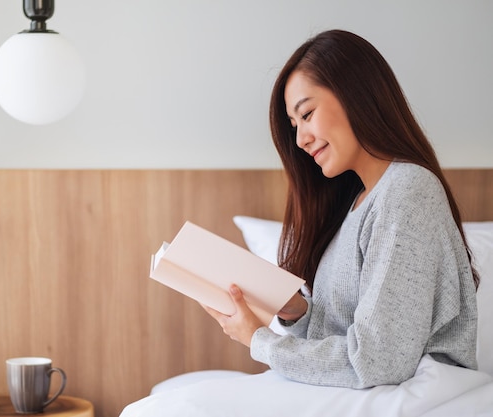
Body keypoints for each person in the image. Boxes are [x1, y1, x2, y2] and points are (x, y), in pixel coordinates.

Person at [203, 28, 478, 389]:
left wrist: (260, 341)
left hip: (417, 399)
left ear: (355, 95)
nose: (300, 139)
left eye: (307, 114)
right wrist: (297, 312)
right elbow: (348, 337)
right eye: (294, 124)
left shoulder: (408, 190)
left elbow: (378, 361)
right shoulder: (354, 205)